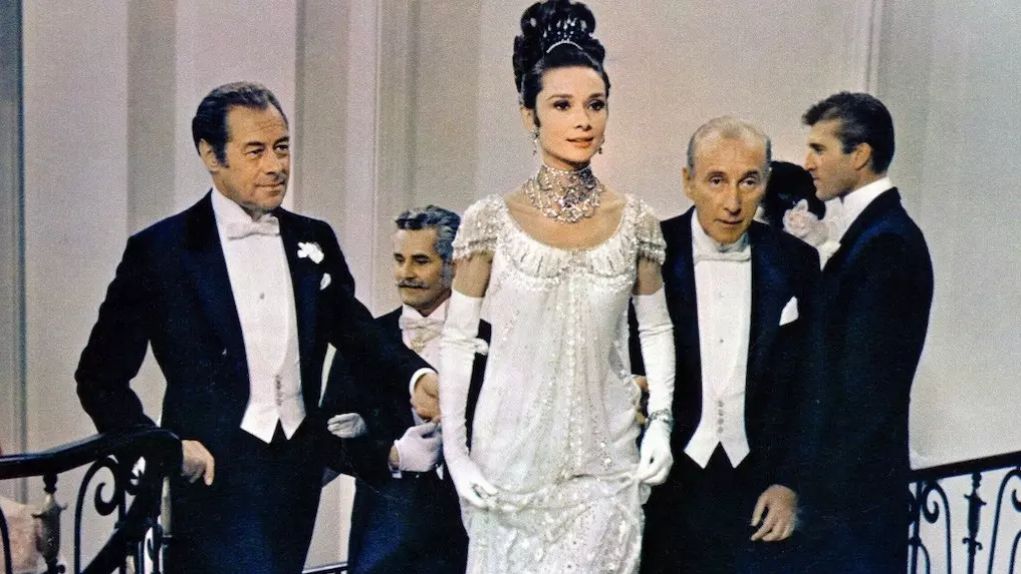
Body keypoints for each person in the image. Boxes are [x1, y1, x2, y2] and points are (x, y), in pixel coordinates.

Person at [74, 82, 435, 574]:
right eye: (256, 151)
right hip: (211, 477)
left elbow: (357, 333)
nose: (276, 165)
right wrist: (160, 448)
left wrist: (416, 377)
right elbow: (99, 377)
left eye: (282, 148)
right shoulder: (161, 252)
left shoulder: (313, 238)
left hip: (297, 472)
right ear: (211, 155)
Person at [433, 1, 675, 571]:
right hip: (508, 464)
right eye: (562, 105)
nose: (582, 120)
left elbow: (656, 328)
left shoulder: (637, 222)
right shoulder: (490, 220)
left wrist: (661, 424)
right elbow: (458, 340)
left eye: (595, 104)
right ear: (530, 116)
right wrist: (457, 453)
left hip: (607, 462)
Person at [640, 117, 820, 574]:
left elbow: (811, 385)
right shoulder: (648, 252)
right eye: (716, 180)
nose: (733, 202)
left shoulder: (797, 261)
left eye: (749, 181)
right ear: (688, 182)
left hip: (758, 495)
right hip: (663, 488)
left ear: (766, 183)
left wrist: (789, 483)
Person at [799, 92, 933, 573]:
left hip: (854, 504)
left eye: (819, 149)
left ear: (859, 155)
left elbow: (865, 392)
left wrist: (810, 491)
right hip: (849, 501)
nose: (808, 163)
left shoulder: (887, 244)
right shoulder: (872, 233)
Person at [325, 205, 488, 573]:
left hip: (467, 539)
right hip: (382, 538)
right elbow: (329, 446)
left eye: (420, 261)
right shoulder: (364, 342)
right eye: (399, 260)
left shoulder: (493, 343)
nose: (405, 273)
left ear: (453, 265)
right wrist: (391, 454)